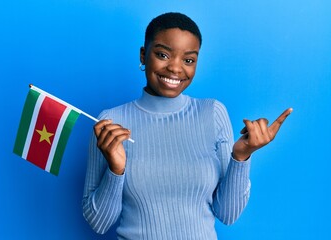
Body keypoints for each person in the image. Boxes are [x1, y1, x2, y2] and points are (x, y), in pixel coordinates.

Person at [82, 12, 292, 239]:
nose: (175, 68)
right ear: (143, 56)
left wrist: (241, 157)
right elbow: (98, 222)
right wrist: (116, 169)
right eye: (163, 54)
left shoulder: (212, 113)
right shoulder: (111, 122)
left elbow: (228, 214)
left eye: (188, 60)